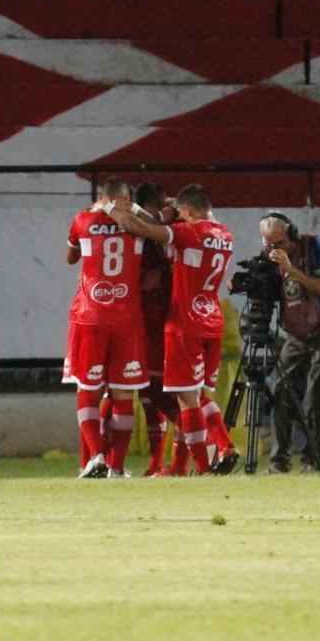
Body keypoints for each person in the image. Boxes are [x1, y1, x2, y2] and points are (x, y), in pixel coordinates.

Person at [106, 183, 238, 475]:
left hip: (184, 323)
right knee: (201, 396)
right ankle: (221, 447)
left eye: (182, 212)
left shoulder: (187, 233)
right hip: (213, 321)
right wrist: (164, 209)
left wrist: (113, 210)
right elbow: (187, 224)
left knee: (185, 399)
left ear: (188, 212)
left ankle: (203, 468)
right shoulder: (225, 234)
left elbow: (144, 230)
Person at [64, 178, 150, 478]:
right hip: (127, 319)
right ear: (126, 199)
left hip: (90, 316)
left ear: (102, 197)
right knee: (124, 394)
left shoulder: (82, 219)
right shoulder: (137, 225)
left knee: (87, 389)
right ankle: (117, 466)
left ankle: (96, 457)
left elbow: (70, 257)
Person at [259, 211, 320, 475]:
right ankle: (278, 461)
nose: (273, 249)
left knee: (318, 396)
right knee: (281, 392)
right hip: (295, 333)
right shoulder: (269, 257)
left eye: (279, 244)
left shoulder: (313, 247)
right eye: (268, 244)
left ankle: (312, 460)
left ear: (292, 237)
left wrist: (291, 270)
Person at [132, 181, 183, 476]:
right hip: (149, 318)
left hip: (160, 319)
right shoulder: (169, 224)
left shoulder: (158, 228)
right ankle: (157, 463)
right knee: (147, 393)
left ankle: (207, 448)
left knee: (166, 390)